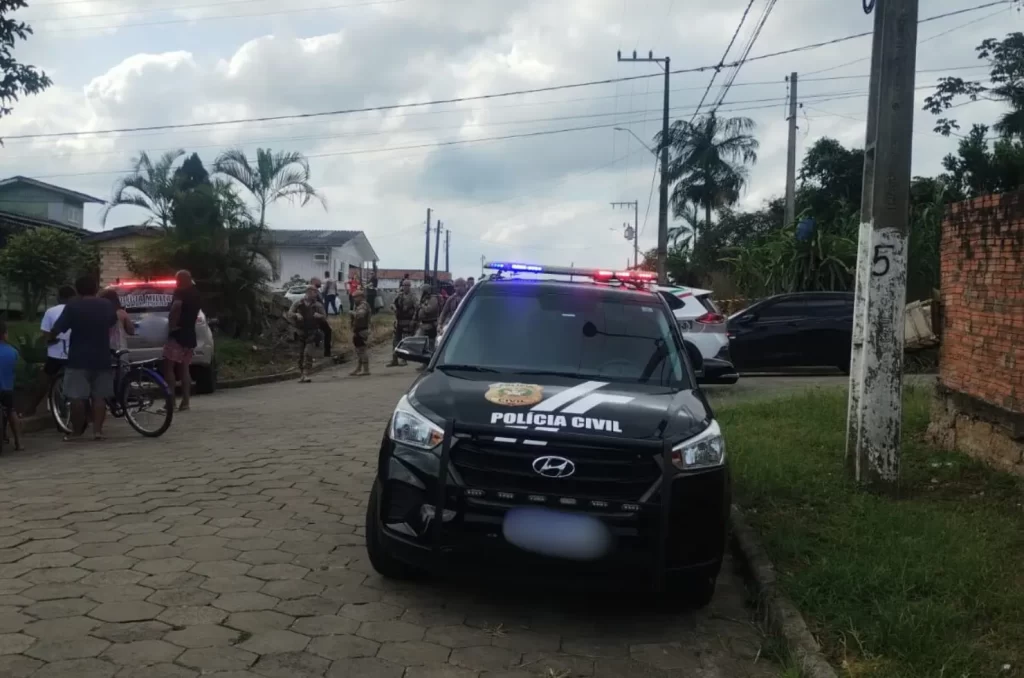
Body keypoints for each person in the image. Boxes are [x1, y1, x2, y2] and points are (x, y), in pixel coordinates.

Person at [47, 275, 118, 441]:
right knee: (99, 397)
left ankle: (77, 432)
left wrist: (50, 338)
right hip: (102, 357)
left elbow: (59, 328)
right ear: (95, 288)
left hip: (78, 358)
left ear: (78, 290)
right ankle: (98, 432)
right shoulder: (106, 305)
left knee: (77, 397)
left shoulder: (73, 306)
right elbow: (112, 322)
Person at [23, 285, 75, 417]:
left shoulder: (51, 311)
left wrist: (49, 341)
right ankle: (87, 413)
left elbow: (46, 334)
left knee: (45, 380)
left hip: (56, 354)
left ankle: (30, 409)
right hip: (76, 353)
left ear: (59, 297)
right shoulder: (78, 310)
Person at [163, 270, 201, 412]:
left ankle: (170, 402)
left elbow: (176, 306)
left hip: (177, 334)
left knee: (169, 367)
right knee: (185, 368)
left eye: (177, 280)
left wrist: (172, 324)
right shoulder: (196, 293)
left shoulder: (180, 292)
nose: (176, 283)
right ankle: (185, 402)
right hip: (190, 334)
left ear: (181, 280)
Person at [288, 285, 326, 383]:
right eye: (314, 292)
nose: (315, 294)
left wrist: (319, 316)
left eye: (316, 292)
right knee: (300, 354)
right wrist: (296, 314)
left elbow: (324, 317)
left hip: (312, 332)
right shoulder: (298, 303)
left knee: (308, 353)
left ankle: (306, 373)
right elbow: (289, 313)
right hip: (300, 332)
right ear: (308, 292)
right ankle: (301, 374)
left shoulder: (317, 305)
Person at [0, 320, 24, 452]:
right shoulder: (13, 352)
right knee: (11, 411)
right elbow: (18, 371)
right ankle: (19, 442)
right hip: (7, 390)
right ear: (5, 335)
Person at [386, 279, 417, 367]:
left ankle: (404, 359)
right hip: (399, 320)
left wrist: (414, 320)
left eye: (407, 285)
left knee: (405, 341)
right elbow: (392, 304)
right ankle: (394, 359)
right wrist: (394, 308)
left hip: (408, 321)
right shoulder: (399, 296)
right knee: (395, 341)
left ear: (409, 286)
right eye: (404, 285)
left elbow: (417, 308)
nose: (405, 287)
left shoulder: (413, 296)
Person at [349, 288, 371, 377]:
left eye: (355, 297)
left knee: (362, 350)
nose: (354, 299)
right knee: (359, 350)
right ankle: (359, 368)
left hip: (362, 330)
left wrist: (352, 313)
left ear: (361, 297)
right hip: (358, 330)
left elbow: (361, 314)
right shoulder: (358, 305)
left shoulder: (363, 305)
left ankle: (366, 369)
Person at [310, 277, 333, 358]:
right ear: (314, 282)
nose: (320, 282)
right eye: (318, 281)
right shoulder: (312, 291)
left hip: (319, 316)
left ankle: (321, 348)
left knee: (320, 332)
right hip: (316, 316)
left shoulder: (317, 291)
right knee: (327, 331)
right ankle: (327, 352)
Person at [415, 286, 440, 356]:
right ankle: (424, 362)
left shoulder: (433, 299)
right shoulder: (424, 299)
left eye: (423, 290)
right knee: (421, 343)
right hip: (423, 324)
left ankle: (430, 361)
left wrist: (422, 305)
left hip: (431, 324)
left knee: (431, 344)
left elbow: (429, 310)